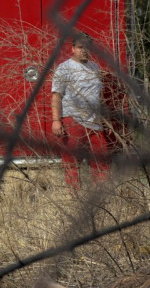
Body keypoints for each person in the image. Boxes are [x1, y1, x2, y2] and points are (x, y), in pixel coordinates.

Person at [51, 32, 110, 191]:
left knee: (101, 162)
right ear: (73, 49)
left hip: (95, 122)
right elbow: (56, 96)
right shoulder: (64, 68)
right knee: (71, 162)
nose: (84, 50)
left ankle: (100, 195)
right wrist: (56, 121)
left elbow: (98, 95)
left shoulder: (95, 68)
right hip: (73, 120)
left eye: (87, 47)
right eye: (80, 47)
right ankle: (74, 196)